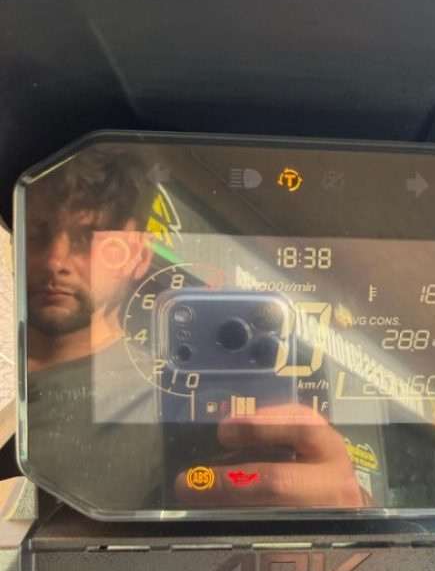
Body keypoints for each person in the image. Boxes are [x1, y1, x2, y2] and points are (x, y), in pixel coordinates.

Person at [24, 147, 363, 514]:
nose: (55, 260)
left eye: (88, 238)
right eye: (37, 233)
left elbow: (260, 497)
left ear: (139, 255)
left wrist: (350, 516)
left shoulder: (169, 401)